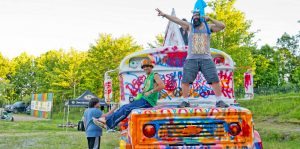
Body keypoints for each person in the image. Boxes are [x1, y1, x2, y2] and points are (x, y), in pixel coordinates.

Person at [155, 8, 228, 108]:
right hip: (191, 59)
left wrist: (210, 18)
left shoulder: (208, 27)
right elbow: (176, 20)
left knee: (214, 79)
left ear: (201, 17)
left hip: (206, 59)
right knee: (186, 80)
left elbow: (222, 26)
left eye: (197, 15)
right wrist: (164, 14)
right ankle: (185, 101)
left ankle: (219, 101)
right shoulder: (189, 26)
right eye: (194, 16)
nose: (195, 17)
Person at [93, 59, 165, 129]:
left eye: (147, 66)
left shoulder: (155, 75)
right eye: (144, 67)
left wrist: (151, 91)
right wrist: (142, 92)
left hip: (148, 102)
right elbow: (147, 89)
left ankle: (107, 122)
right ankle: (107, 121)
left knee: (126, 109)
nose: (145, 68)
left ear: (151, 67)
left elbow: (162, 85)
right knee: (124, 107)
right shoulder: (147, 78)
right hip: (143, 99)